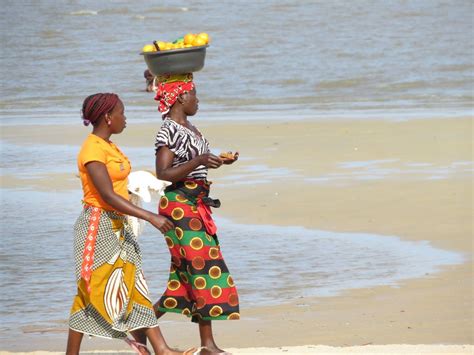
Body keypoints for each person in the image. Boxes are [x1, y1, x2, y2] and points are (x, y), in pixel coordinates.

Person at [66, 93, 192, 355]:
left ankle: (162, 350)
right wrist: (150, 216)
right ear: (107, 117)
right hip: (97, 227)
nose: (126, 118)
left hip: (118, 224)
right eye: (122, 113)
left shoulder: (108, 145)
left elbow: (119, 186)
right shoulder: (92, 149)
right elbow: (107, 195)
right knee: (91, 290)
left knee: (136, 283)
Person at [153, 73, 240, 355]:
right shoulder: (168, 130)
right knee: (203, 267)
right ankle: (208, 345)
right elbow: (164, 173)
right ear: (181, 97)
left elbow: (196, 164)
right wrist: (200, 160)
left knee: (187, 276)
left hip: (196, 203)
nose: (198, 99)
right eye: (194, 94)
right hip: (180, 204)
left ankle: (141, 329)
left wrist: (215, 161)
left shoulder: (190, 127)